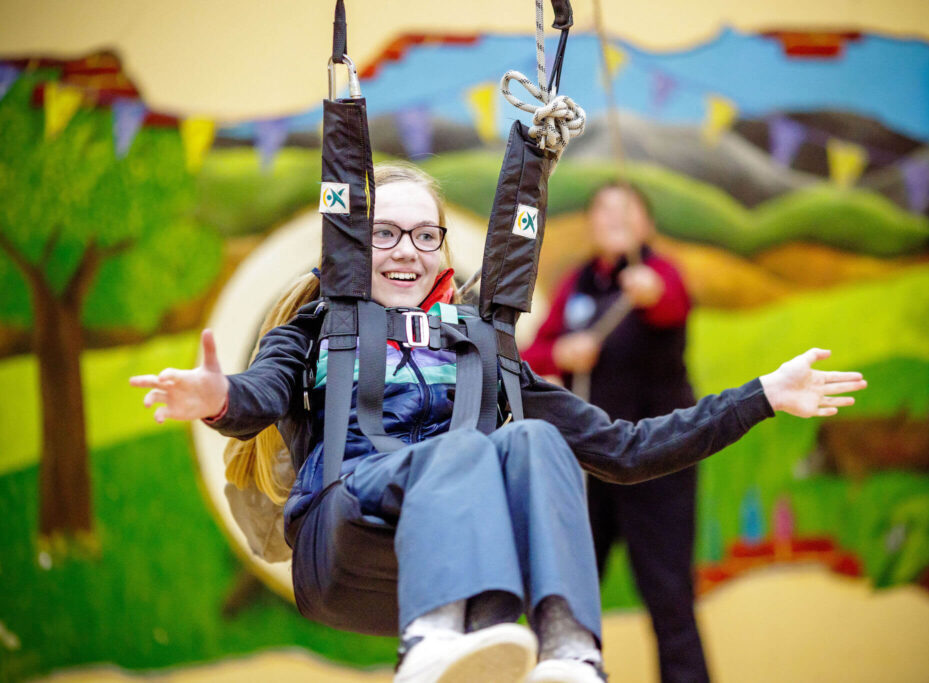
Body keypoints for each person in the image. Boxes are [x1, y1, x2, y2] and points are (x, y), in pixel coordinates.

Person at [130, 162, 866, 683]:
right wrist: (215, 396)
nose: (407, 252)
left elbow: (627, 448)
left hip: (462, 552)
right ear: (352, 245)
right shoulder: (320, 328)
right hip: (345, 535)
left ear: (444, 251)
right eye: (385, 234)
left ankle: (568, 648)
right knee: (459, 452)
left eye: (425, 236)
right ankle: (430, 639)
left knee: (538, 438)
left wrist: (763, 394)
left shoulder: (479, 349)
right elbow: (258, 392)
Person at [523, 182, 707, 683]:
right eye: (604, 209)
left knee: (670, 599)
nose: (615, 217)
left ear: (647, 224)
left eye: (628, 209)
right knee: (573, 596)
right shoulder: (577, 283)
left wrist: (649, 291)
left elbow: (672, 304)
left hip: (662, 463)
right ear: (590, 224)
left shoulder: (658, 273)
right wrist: (561, 355)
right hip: (593, 463)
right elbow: (531, 354)